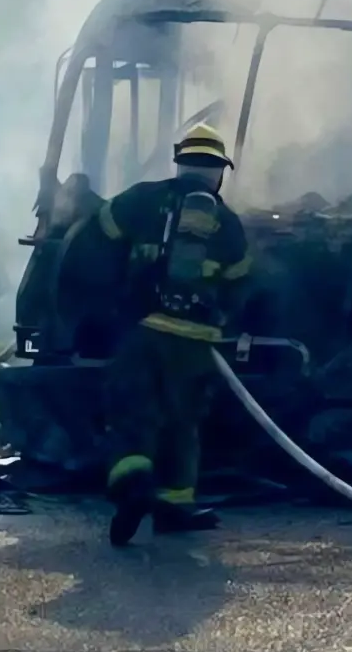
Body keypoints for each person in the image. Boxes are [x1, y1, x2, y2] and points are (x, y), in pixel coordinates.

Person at [91, 123, 254, 546]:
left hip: (142, 329)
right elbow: (240, 283)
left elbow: (99, 234)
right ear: (219, 171)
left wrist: (110, 298)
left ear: (179, 163)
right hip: (197, 341)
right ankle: (175, 507)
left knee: (132, 412)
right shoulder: (229, 224)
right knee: (184, 422)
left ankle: (133, 488)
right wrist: (224, 324)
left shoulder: (142, 199)